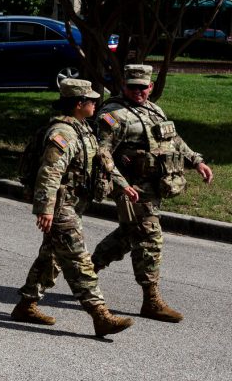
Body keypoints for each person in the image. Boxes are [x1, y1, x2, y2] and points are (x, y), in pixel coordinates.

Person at [11, 78, 137, 337]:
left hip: (74, 204)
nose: (95, 103)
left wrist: (122, 184)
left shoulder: (82, 128)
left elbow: (103, 160)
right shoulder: (63, 133)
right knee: (79, 259)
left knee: (51, 256)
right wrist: (46, 209)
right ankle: (100, 315)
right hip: (61, 207)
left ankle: (26, 305)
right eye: (91, 100)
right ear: (79, 104)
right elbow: (49, 172)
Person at [91, 63, 213, 322]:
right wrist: (121, 185)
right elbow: (102, 154)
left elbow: (174, 140)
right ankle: (151, 300)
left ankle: (86, 271)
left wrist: (196, 161)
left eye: (143, 87)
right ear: (124, 85)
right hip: (132, 189)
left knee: (129, 234)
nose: (138, 91)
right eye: (132, 87)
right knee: (150, 237)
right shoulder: (112, 115)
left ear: (151, 86)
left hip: (154, 185)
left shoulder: (154, 110)